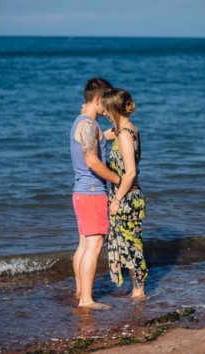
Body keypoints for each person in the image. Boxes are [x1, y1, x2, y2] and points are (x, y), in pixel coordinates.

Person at [70, 77, 121, 309]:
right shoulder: (89, 125)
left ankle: (81, 292)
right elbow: (91, 160)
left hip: (82, 192)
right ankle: (87, 301)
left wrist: (122, 127)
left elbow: (102, 138)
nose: (108, 106)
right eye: (107, 101)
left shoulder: (86, 122)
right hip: (92, 192)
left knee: (83, 246)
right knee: (95, 247)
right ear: (98, 99)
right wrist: (118, 180)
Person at [102, 88, 147, 299]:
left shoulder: (125, 135)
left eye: (107, 110)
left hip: (127, 197)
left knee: (132, 245)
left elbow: (130, 172)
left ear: (115, 109)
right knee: (128, 244)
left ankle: (139, 291)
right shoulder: (126, 129)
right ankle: (137, 290)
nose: (105, 114)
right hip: (128, 195)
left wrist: (117, 200)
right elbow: (101, 135)